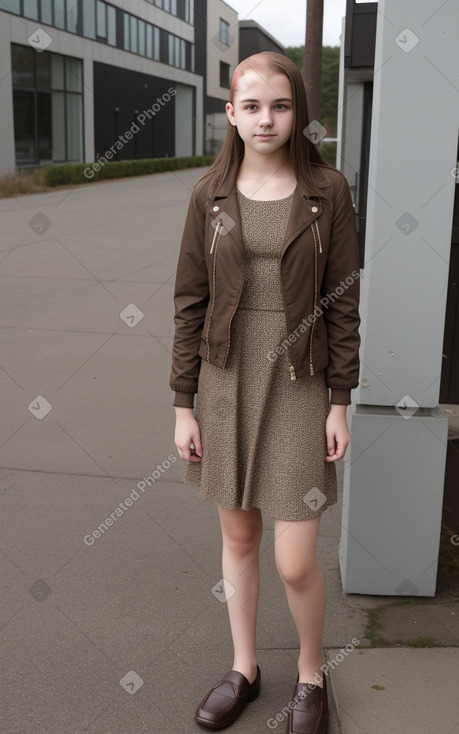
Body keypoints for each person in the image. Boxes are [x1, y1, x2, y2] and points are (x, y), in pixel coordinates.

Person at [170, 51, 360, 734]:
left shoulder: (327, 190)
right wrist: (181, 403)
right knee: (240, 534)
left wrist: (340, 398)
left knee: (294, 555)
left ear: (297, 111)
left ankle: (310, 674)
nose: (266, 119)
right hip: (225, 374)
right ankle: (244, 667)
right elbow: (189, 301)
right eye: (250, 106)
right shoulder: (208, 194)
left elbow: (343, 300)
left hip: (301, 377)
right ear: (230, 113)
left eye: (279, 105)